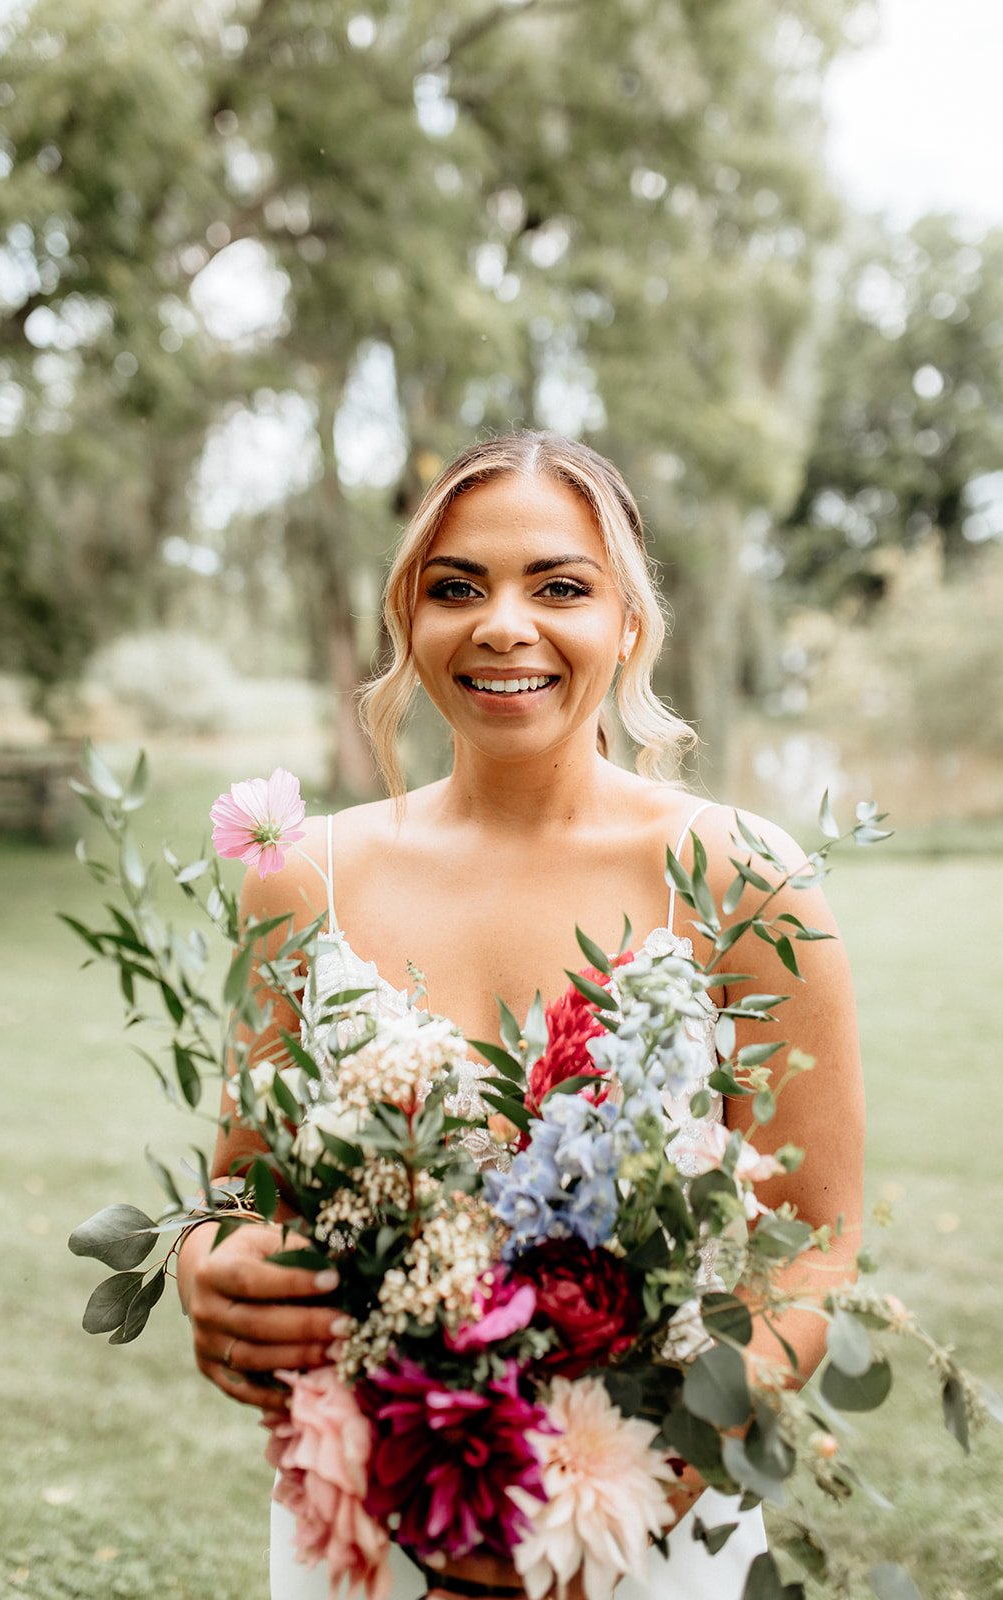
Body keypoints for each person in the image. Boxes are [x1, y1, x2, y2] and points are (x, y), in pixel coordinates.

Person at [177, 431, 864, 1600]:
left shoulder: (748, 877)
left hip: (641, 1519)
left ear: (630, 622)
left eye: (559, 585)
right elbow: (250, 1193)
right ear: (410, 620)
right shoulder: (304, 875)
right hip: (379, 1513)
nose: (502, 624)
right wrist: (209, 1266)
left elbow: (815, 1237)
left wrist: (653, 1470)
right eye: (456, 587)